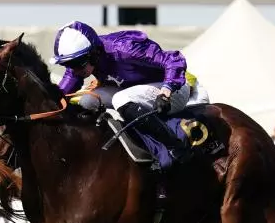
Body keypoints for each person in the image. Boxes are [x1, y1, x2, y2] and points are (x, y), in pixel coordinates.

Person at [51, 20, 206, 170]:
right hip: (134, 91)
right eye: (68, 65)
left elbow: (174, 60)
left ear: (94, 53)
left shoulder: (125, 48)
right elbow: (62, 92)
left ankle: (175, 146)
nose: (74, 70)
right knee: (87, 100)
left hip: (174, 89)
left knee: (121, 99)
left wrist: (166, 91)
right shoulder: (83, 59)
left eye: (77, 64)